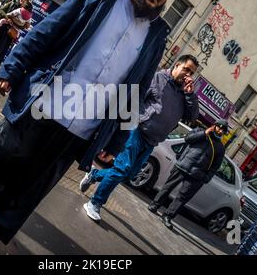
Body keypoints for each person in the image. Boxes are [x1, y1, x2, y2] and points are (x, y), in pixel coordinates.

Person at [0, 0, 181, 255]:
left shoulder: (154, 37)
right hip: (47, 98)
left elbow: (135, 92)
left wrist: (118, 138)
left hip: (82, 125)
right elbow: (49, 30)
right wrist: (12, 66)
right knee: (4, 149)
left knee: (32, 184)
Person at [79, 55, 199, 221]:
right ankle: (94, 203)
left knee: (129, 174)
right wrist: (142, 118)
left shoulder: (185, 94)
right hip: (138, 131)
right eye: (186, 69)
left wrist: (190, 95)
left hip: (153, 140)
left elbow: (192, 117)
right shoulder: (158, 78)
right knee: (122, 168)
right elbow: (138, 98)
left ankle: (94, 175)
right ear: (177, 65)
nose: (188, 75)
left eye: (191, 73)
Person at [148, 119, 228, 229]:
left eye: (222, 130)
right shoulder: (199, 131)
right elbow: (188, 139)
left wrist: (206, 178)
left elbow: (215, 166)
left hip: (197, 176)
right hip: (182, 166)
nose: (219, 130)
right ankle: (154, 205)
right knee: (167, 187)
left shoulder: (220, 148)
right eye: (218, 127)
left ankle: (168, 216)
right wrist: (204, 133)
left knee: (182, 198)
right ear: (213, 126)